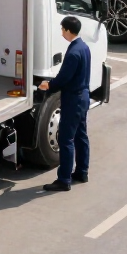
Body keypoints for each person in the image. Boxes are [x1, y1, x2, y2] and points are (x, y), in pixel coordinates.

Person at [39, 16, 92, 192]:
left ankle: (64, 179)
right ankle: (82, 171)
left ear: (68, 30)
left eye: (62, 29)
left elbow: (64, 77)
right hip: (83, 96)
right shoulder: (83, 47)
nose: (61, 32)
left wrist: (49, 85)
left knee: (66, 139)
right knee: (81, 135)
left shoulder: (74, 52)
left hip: (73, 99)